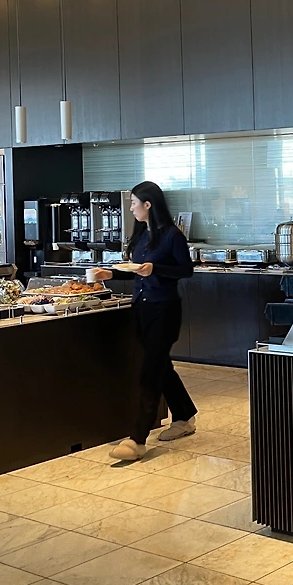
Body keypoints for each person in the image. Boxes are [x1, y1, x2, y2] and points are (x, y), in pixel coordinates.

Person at [89, 181, 196, 461]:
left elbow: (185, 270)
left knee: (151, 370)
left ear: (148, 204)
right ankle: (184, 415)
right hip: (142, 308)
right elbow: (137, 270)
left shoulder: (172, 235)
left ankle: (137, 439)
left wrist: (156, 268)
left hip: (165, 310)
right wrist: (111, 274)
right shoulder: (140, 235)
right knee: (161, 365)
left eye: (134, 203)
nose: (131, 208)